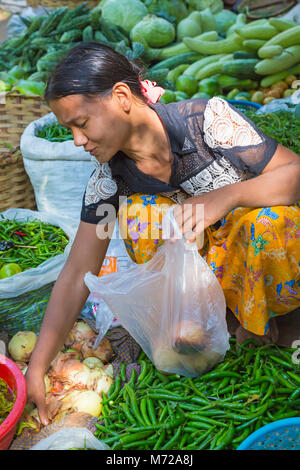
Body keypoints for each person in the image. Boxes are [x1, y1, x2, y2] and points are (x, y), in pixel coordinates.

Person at [25, 42, 300, 425]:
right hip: (194, 305)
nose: (76, 141)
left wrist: (228, 196)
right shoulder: (109, 183)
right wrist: (38, 365)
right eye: (69, 129)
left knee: (269, 223)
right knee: (142, 212)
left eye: (81, 124)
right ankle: (210, 335)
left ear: (121, 96)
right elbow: (76, 275)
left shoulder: (206, 122)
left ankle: (276, 328)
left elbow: (294, 174)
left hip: (256, 276)